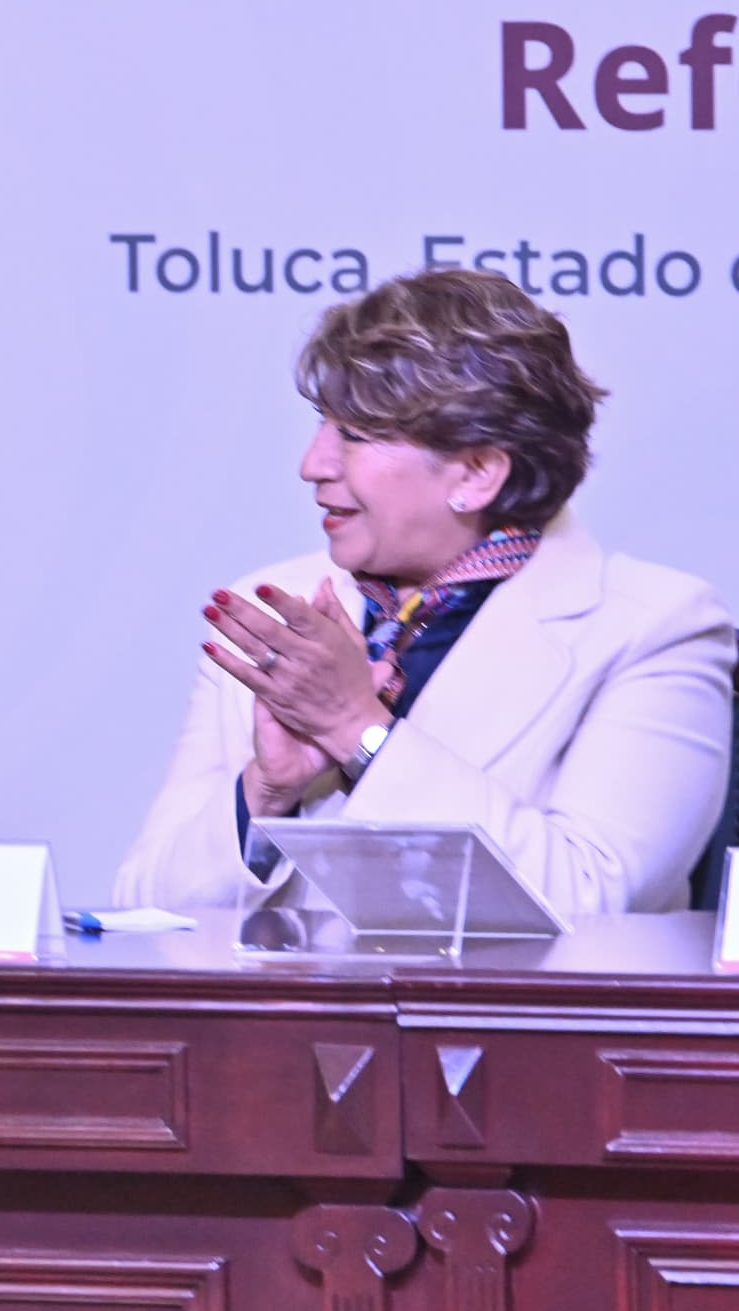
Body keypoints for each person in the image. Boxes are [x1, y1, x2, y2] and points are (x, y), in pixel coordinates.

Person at [115, 269, 734, 918]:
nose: (312, 464)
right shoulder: (270, 610)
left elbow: (595, 898)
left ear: (476, 472)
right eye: (322, 424)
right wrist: (266, 792)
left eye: (354, 435)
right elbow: (145, 907)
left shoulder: (654, 625)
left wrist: (356, 729)